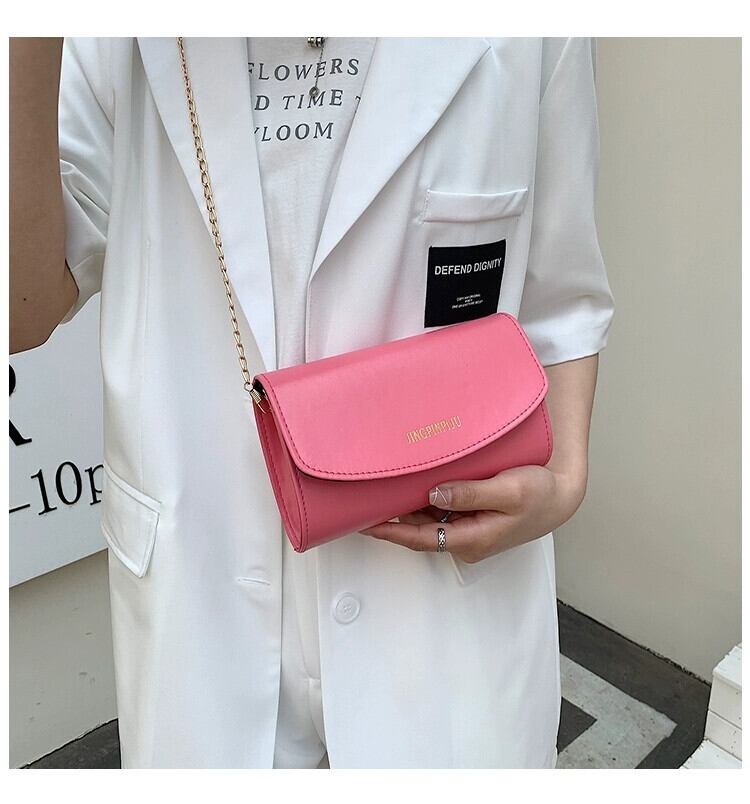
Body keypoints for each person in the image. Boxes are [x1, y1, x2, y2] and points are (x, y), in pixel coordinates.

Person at [10, 36, 614, 768]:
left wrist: (567, 477)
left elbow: (561, 297)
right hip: (201, 593)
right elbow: (21, 308)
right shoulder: (112, 39)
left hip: (441, 579)